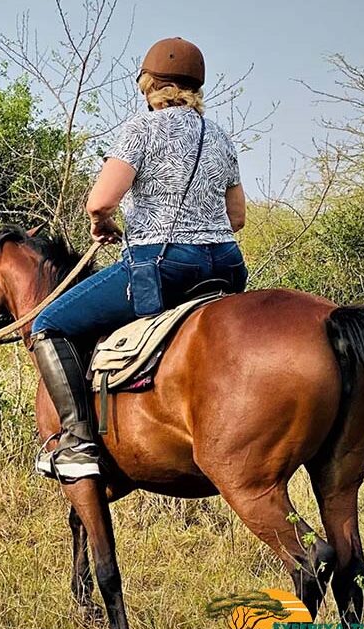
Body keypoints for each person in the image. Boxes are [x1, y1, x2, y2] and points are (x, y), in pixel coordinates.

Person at [30, 37, 248, 483]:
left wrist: (102, 224)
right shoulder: (220, 137)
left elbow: (100, 200)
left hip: (162, 267)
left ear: (149, 85)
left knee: (47, 325)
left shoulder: (141, 129)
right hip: (226, 267)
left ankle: (75, 442)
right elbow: (237, 217)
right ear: (195, 89)